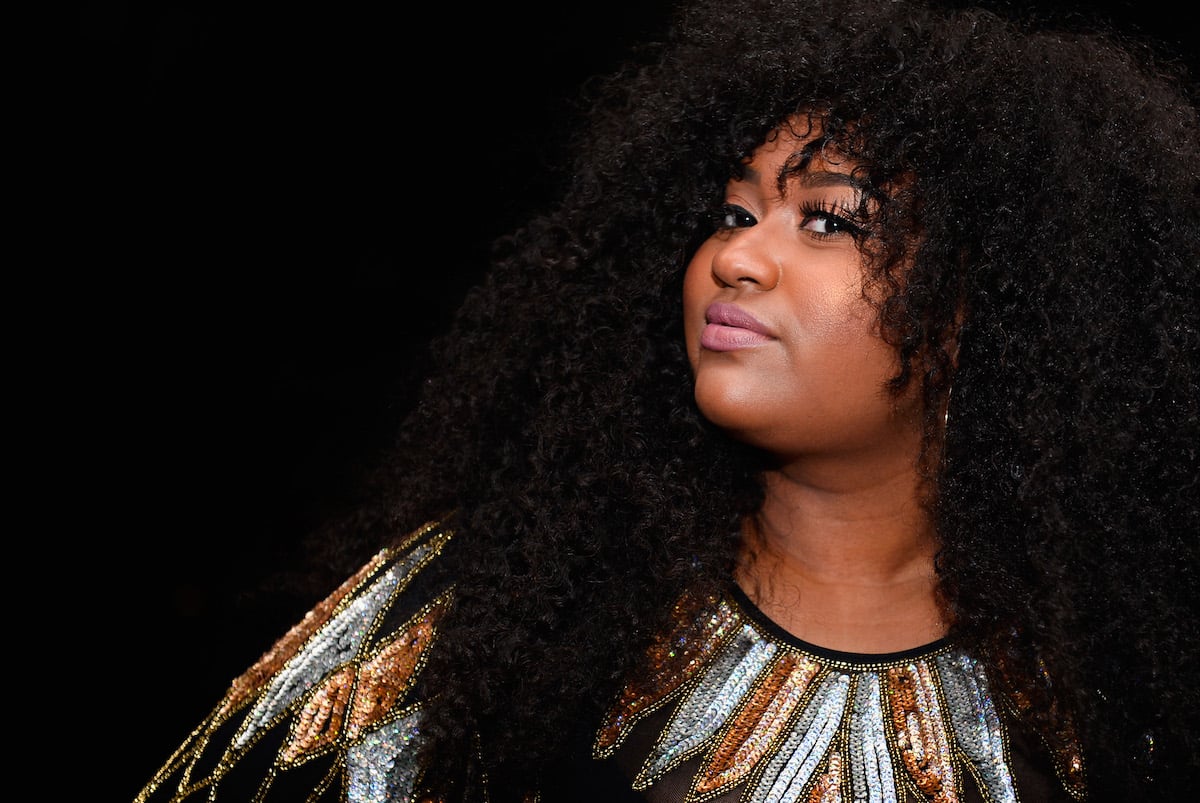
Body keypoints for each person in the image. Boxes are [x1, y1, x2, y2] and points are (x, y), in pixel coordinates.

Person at [132, 0, 1199, 800]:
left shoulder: (1125, 701)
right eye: (734, 212)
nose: (737, 257)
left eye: (828, 221)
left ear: (988, 307)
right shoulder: (492, 616)